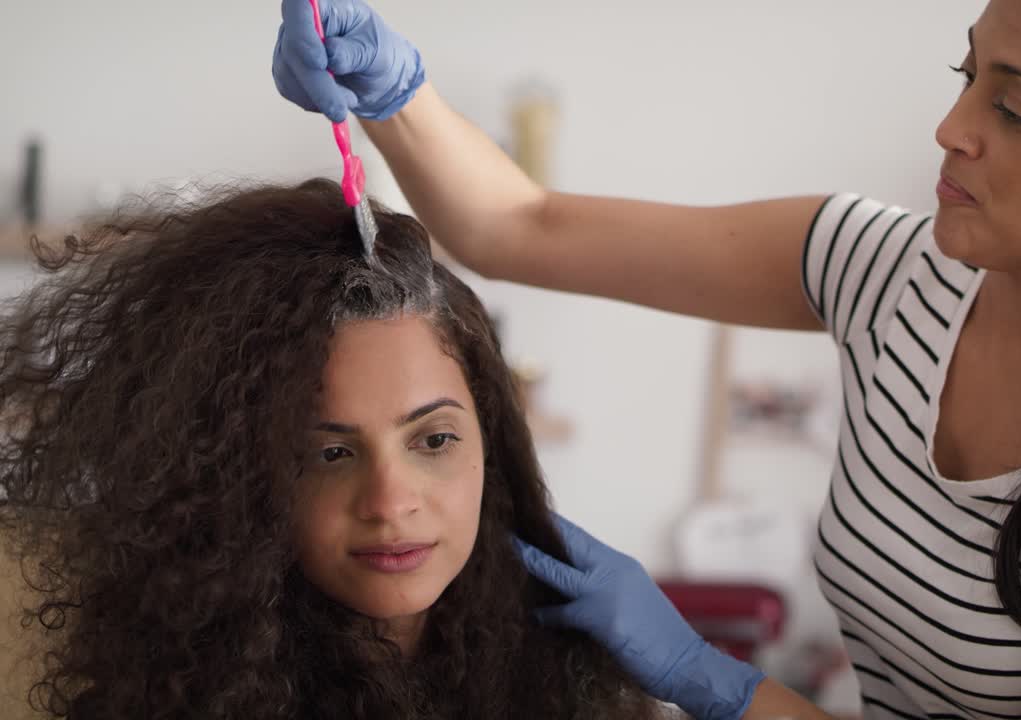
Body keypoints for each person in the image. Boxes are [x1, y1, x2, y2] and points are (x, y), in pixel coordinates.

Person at [273, 0, 1021, 718]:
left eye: (1012, 109)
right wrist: (393, 88)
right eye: (963, 75)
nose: (950, 129)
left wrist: (708, 678)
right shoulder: (886, 270)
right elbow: (519, 225)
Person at [0, 179, 672, 719]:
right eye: (330, 455)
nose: (390, 502)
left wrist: (702, 686)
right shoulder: (176, 687)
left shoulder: (577, 682)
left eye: (434, 440)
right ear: (247, 481)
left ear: (489, 447)